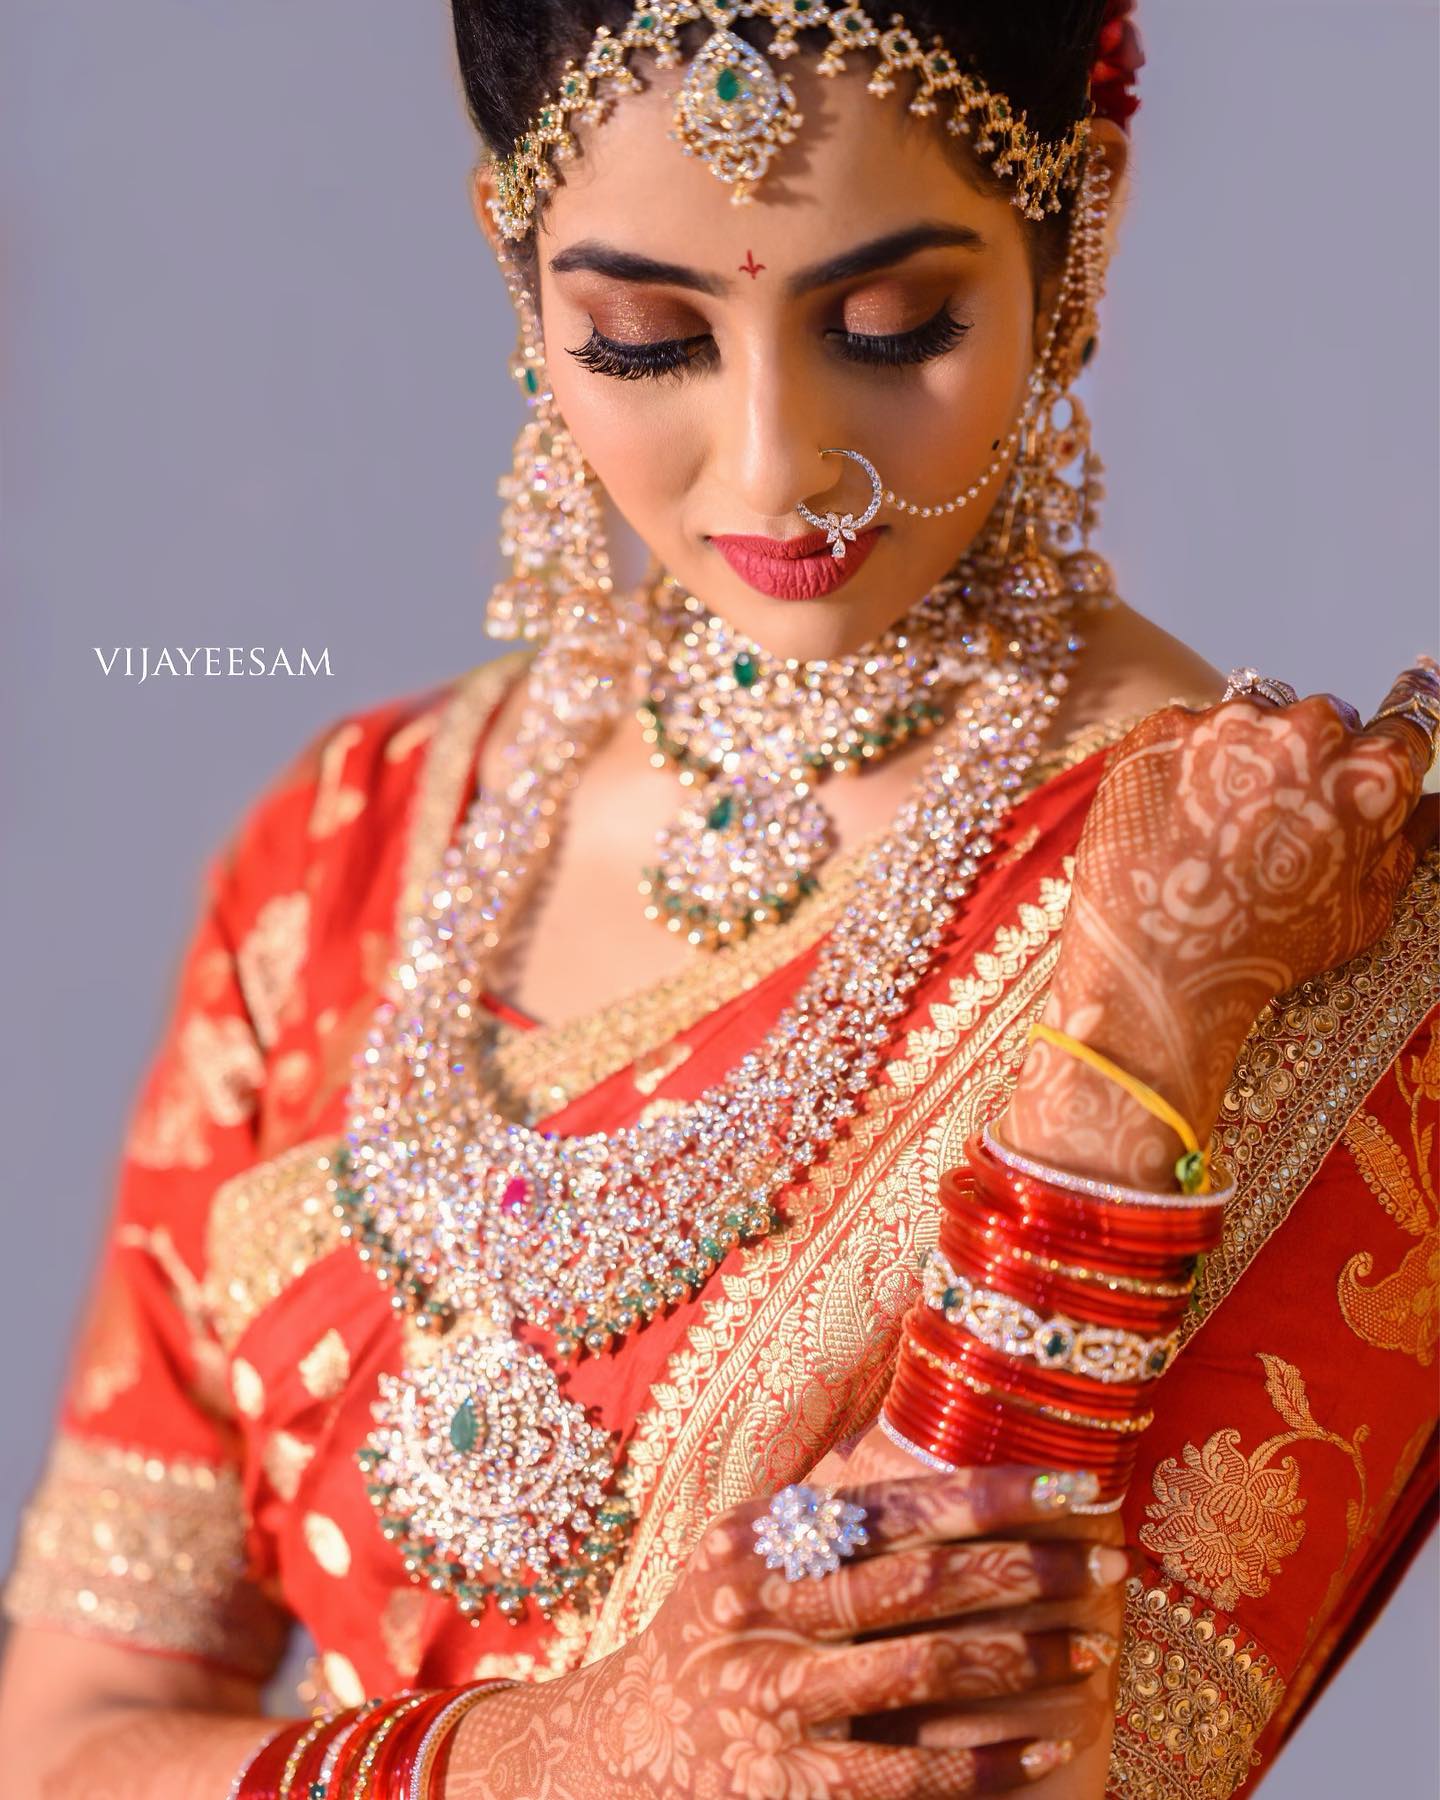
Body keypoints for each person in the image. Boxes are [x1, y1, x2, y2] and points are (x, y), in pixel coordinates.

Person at [2, 4, 1436, 1796]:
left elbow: (973, 1776)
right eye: (644, 338)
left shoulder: (1286, 921)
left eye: (889, 325)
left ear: (1086, 225)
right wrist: (576, 1753)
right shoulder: (337, 859)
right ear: (515, 276)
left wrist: (1123, 1076)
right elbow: (60, 1751)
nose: (778, 466)